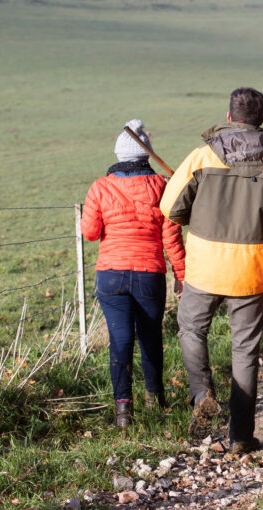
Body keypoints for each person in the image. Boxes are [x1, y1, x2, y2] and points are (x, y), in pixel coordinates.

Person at [160, 87, 263, 454]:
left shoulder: (202, 156)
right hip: (250, 272)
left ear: (228, 117)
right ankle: (240, 436)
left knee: (191, 329)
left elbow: (170, 207)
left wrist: (199, 214)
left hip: (204, 267)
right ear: (262, 121)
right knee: (245, 351)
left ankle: (202, 392)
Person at [81, 119, 186, 429]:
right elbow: (171, 238)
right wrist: (180, 274)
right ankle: (156, 399)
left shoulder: (101, 187)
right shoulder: (163, 187)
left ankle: (123, 410)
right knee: (151, 337)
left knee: (121, 339)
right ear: (146, 156)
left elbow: (89, 232)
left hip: (111, 276)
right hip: (149, 275)